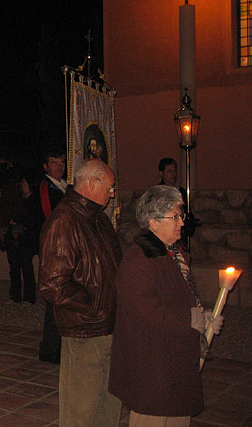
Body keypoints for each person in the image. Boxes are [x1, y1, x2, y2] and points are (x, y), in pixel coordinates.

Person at [109, 185, 224, 426]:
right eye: (175, 217)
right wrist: (189, 320)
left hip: (173, 365)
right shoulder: (140, 261)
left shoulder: (174, 253)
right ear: (153, 222)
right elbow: (144, 313)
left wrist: (205, 318)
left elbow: (182, 298)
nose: (182, 222)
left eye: (181, 216)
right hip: (152, 368)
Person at [39, 159, 122, 427]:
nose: (112, 194)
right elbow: (52, 284)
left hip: (108, 324)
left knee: (109, 402)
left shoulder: (97, 219)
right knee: (81, 409)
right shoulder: (65, 221)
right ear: (91, 183)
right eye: (109, 188)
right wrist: (95, 306)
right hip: (85, 329)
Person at [35, 150, 67, 364]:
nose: (58, 166)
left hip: (65, 248)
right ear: (46, 166)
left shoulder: (65, 186)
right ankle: (50, 348)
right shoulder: (46, 189)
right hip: (55, 250)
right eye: (54, 163)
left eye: (61, 163)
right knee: (54, 300)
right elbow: (51, 221)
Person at [0, 169, 39, 304]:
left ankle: (29, 297)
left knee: (26, 267)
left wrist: (20, 220)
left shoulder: (34, 200)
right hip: (14, 238)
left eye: (25, 182)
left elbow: (33, 219)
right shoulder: (17, 198)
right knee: (14, 267)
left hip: (26, 238)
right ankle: (15, 296)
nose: (23, 184)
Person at [157, 157, 196, 245]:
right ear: (161, 173)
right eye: (169, 171)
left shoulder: (181, 192)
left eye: (174, 171)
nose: (173, 175)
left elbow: (187, 212)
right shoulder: (157, 193)